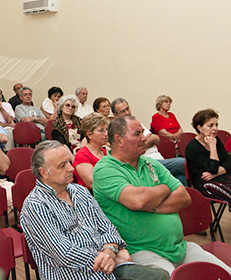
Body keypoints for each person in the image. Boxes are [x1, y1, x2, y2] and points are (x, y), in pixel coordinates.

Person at [93, 115, 231, 275]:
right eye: (137, 134)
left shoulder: (150, 163)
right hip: (143, 251)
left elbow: (184, 197)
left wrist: (150, 206)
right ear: (119, 140)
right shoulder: (105, 169)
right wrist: (165, 188)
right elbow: (138, 201)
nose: (144, 138)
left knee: (225, 274)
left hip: (180, 247)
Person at [21, 141, 170, 280]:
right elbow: (64, 254)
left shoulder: (79, 191)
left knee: (161, 276)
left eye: (69, 162)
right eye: (62, 165)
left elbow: (107, 227)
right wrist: (108, 257)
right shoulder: (35, 206)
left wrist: (110, 251)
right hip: (76, 274)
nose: (71, 168)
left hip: (108, 267)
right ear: (44, 173)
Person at [111, 98, 186, 186]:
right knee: (182, 163)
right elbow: (130, 150)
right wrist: (148, 140)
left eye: (128, 109)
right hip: (146, 163)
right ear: (115, 115)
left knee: (180, 176)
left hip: (160, 159)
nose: (127, 113)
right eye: (123, 111)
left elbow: (156, 139)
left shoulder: (136, 123)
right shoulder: (117, 130)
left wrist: (140, 144)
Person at [185, 109, 231, 204]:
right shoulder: (192, 147)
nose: (215, 128)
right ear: (200, 128)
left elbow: (228, 162)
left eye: (216, 125)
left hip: (220, 178)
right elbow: (212, 168)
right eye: (210, 125)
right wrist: (212, 146)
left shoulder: (215, 139)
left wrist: (216, 173)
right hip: (204, 185)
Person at [73, 113, 109, 191]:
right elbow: (93, 184)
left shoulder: (107, 153)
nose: (106, 134)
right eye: (101, 130)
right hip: (94, 198)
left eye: (106, 129)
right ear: (89, 134)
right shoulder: (82, 155)